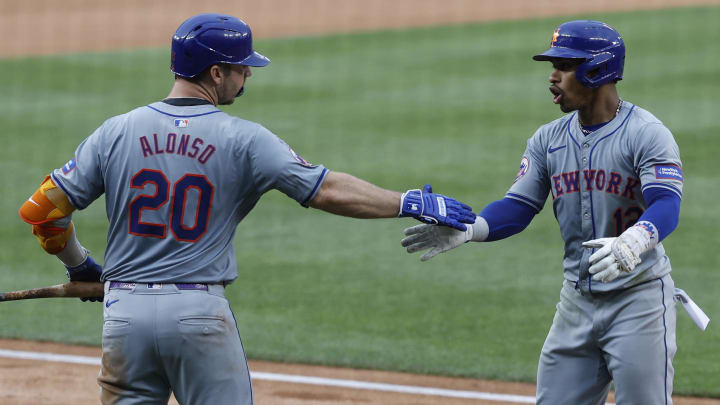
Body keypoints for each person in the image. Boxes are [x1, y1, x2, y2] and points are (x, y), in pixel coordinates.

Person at [17, 13, 475, 405]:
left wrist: (79, 266)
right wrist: (407, 201)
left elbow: (41, 211)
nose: (248, 75)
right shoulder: (244, 138)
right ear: (216, 73)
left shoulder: (115, 131)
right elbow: (326, 190)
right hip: (197, 314)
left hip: (123, 315)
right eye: (241, 67)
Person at [402, 20, 686, 404]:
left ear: (598, 68)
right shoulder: (547, 139)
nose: (553, 77)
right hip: (576, 301)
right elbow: (518, 207)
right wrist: (472, 229)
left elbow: (667, 203)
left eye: (565, 66)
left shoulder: (646, 134)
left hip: (639, 300)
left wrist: (636, 239)